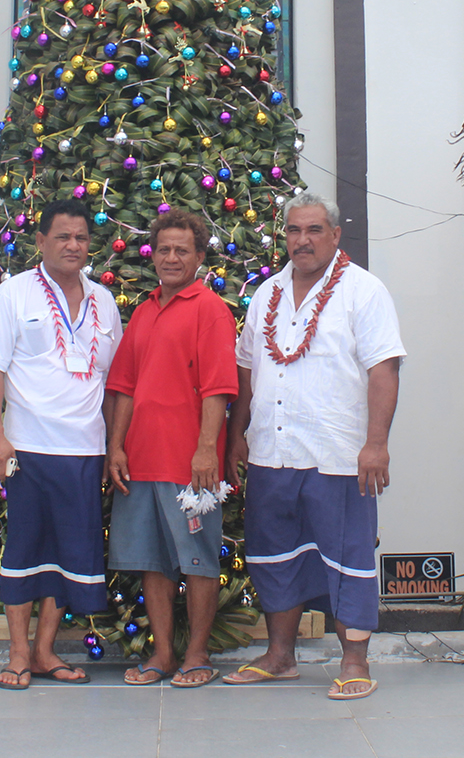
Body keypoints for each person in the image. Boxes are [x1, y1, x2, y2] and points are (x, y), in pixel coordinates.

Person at [223, 191, 405, 700]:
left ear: (335, 234)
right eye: (293, 232)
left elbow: (384, 369)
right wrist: (238, 435)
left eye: (313, 231)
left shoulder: (363, 292)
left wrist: (376, 444)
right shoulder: (266, 294)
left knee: (347, 557)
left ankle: (354, 661)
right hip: (270, 454)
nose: (302, 241)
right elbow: (246, 370)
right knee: (273, 555)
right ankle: (280, 657)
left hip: (339, 456)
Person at [0, 200, 122, 690]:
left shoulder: (104, 301)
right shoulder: (12, 295)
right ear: (40, 241)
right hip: (28, 448)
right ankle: (18, 653)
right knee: (25, 549)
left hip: (84, 451)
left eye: (81, 238)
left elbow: (112, 380)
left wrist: (112, 446)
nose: (73, 246)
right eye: (62, 237)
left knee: (71, 552)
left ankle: (45, 651)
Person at [104, 208, 238, 688]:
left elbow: (218, 387)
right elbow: (123, 387)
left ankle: (197, 655)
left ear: (200, 257)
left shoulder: (211, 310)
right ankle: (161, 654)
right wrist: (115, 447)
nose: (172, 257)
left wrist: (207, 450)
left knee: (198, 561)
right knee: (151, 563)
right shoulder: (142, 313)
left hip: (191, 468)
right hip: (140, 462)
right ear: (153, 254)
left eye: (183, 250)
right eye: (164, 249)